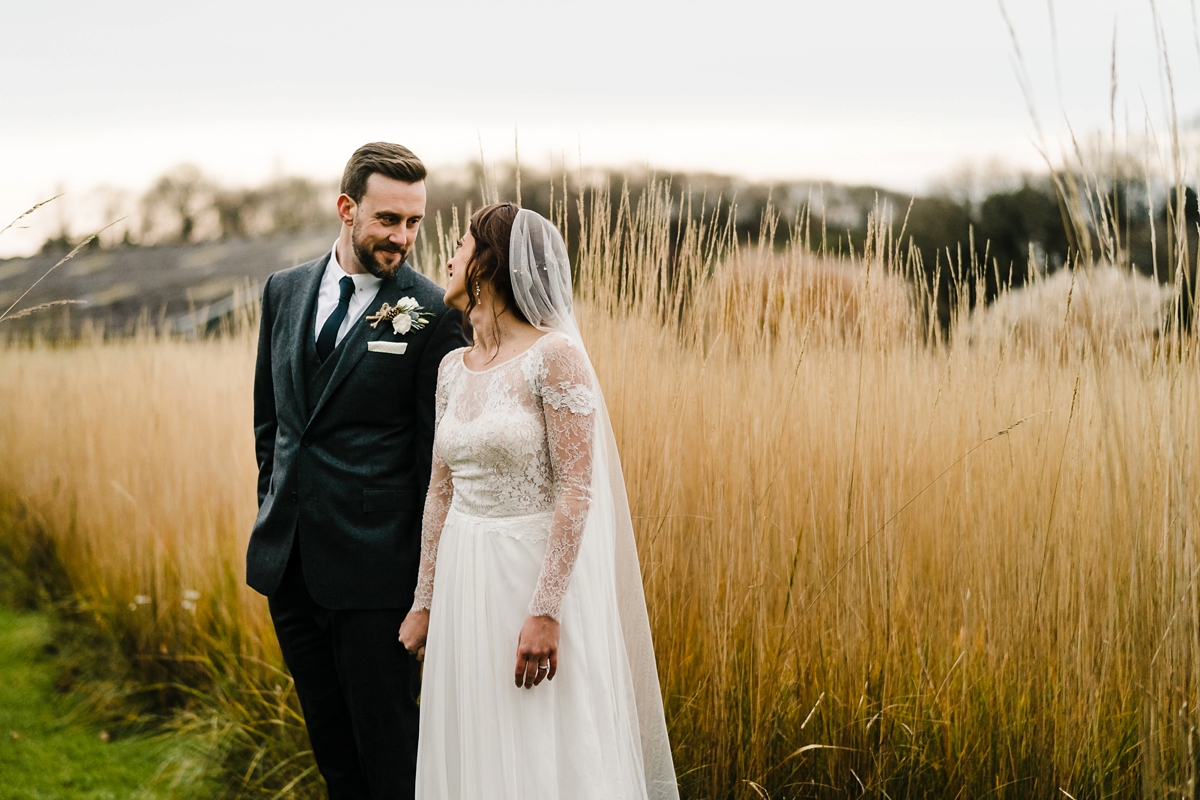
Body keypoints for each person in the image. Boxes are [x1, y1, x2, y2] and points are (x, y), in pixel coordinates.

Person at [398, 203, 678, 799]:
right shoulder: (453, 368)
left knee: (536, 742)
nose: (447, 258)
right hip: (462, 583)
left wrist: (547, 609)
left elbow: (578, 486)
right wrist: (424, 601)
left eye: (461, 246)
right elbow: (439, 491)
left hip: (528, 579)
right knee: (472, 740)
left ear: (487, 266)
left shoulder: (554, 357)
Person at [247, 142, 469, 799]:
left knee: (391, 758)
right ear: (347, 209)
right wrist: (274, 507)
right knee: (335, 757)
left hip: (377, 578)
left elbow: (438, 460)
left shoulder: (431, 312)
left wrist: (423, 585)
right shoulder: (283, 290)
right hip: (289, 567)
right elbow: (273, 424)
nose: (402, 236)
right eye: (387, 220)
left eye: (413, 222)